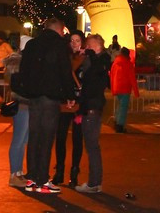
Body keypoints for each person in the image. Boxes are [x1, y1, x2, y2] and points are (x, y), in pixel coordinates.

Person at [23, 18, 77, 195]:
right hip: (51, 96)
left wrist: (28, 89)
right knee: (47, 137)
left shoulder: (32, 45)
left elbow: (24, 70)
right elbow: (65, 71)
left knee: (34, 136)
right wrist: (70, 95)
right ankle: (43, 180)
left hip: (34, 96)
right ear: (59, 30)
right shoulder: (59, 45)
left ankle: (31, 178)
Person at [75, 34, 111, 194]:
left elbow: (95, 76)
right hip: (90, 107)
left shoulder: (101, 60)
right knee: (91, 146)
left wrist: (88, 55)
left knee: (92, 146)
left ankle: (94, 183)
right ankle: (94, 182)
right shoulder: (95, 61)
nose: (86, 48)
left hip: (92, 108)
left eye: (89, 45)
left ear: (96, 47)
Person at [53, 31, 86, 187]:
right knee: (60, 137)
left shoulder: (86, 59)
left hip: (79, 104)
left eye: (77, 40)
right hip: (64, 103)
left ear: (82, 42)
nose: (74, 43)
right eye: (72, 40)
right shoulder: (63, 58)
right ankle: (59, 170)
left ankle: (74, 172)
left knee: (77, 139)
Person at [4, 36, 31, 188]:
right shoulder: (18, 62)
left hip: (25, 103)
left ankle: (18, 172)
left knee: (22, 140)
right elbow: (17, 83)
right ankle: (14, 173)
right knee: (19, 140)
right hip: (22, 103)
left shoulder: (19, 62)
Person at [108, 46, 137, 132]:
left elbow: (112, 76)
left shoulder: (115, 63)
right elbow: (132, 78)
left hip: (117, 87)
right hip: (125, 88)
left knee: (119, 106)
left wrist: (113, 88)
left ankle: (117, 122)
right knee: (123, 107)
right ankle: (120, 125)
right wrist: (136, 92)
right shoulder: (128, 64)